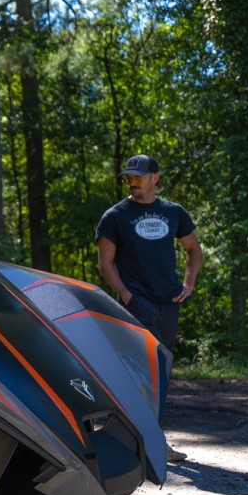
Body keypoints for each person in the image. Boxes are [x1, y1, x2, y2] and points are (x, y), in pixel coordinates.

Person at [95, 154, 202, 463]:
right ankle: (151, 442)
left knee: (161, 371)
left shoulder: (173, 213)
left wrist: (189, 283)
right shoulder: (115, 217)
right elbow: (105, 263)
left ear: (155, 177)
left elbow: (193, 249)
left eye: (139, 177)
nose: (133, 182)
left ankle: (137, 437)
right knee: (147, 370)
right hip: (137, 304)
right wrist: (127, 295)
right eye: (129, 177)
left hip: (169, 302)